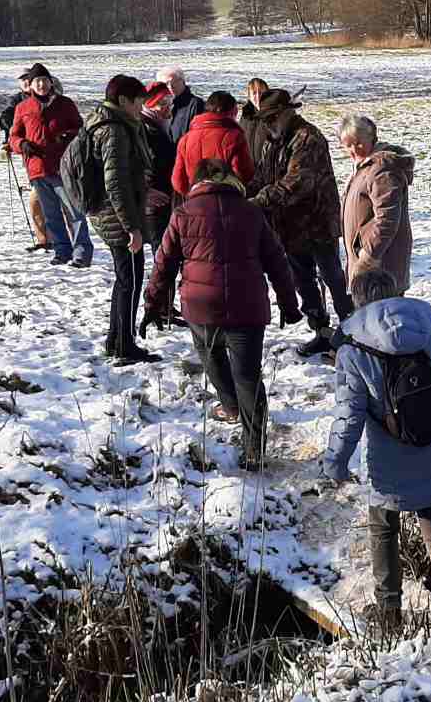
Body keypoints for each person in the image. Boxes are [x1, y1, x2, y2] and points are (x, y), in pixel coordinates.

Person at [322, 268, 431, 633]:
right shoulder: (425, 321)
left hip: (388, 460)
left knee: (383, 530)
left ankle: (389, 615)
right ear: (395, 292)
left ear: (356, 299)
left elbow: (349, 415)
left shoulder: (351, 345)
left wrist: (336, 463)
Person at [144, 158, 301, 466]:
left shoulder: (183, 214)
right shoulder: (251, 212)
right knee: (248, 377)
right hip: (247, 307)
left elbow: (163, 265)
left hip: (201, 306)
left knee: (211, 356)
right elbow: (277, 261)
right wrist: (289, 304)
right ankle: (254, 451)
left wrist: (152, 304)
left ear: (196, 183)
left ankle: (229, 406)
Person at [248, 88, 352, 357]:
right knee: (303, 282)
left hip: (317, 224)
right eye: (265, 120)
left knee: (333, 278)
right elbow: (262, 176)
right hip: (289, 227)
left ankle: (352, 332)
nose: (268, 124)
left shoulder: (308, 138)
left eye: (272, 118)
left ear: (287, 113)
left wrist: (256, 202)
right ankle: (321, 331)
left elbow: (296, 183)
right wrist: (240, 193)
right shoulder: (273, 141)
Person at [75, 75, 161, 364]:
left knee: (126, 279)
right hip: (117, 216)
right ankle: (124, 345)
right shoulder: (114, 131)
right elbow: (116, 184)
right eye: (138, 102)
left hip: (112, 213)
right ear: (123, 101)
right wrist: (131, 227)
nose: (141, 107)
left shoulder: (106, 122)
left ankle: (117, 340)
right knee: (130, 281)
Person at [9, 63, 91, 267]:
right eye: (37, 81)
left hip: (63, 167)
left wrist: (67, 136)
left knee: (74, 212)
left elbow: (81, 129)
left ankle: (82, 252)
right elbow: (14, 136)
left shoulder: (65, 104)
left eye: (45, 80)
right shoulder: (23, 108)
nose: (41, 85)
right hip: (37, 168)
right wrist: (22, 144)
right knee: (51, 214)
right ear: (30, 85)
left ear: (51, 82)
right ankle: (62, 251)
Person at [338, 114, 414, 293]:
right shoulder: (365, 166)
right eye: (348, 145)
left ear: (372, 138)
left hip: (380, 267)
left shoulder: (381, 169)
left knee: (384, 309)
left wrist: (368, 256)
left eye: (359, 143)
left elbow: (387, 218)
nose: (354, 149)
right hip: (369, 265)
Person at [141, 82, 184, 322]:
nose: (168, 108)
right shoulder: (146, 130)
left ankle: (164, 304)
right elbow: (141, 165)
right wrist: (146, 190)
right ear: (151, 106)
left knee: (167, 254)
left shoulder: (158, 126)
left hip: (165, 199)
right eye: (162, 104)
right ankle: (158, 306)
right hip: (154, 205)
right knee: (163, 256)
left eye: (169, 102)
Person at [1, 72, 52, 252]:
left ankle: (64, 240)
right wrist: (19, 142)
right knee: (36, 199)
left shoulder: (57, 101)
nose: (26, 83)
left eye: (27, 79)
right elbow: (8, 124)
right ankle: (43, 239)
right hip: (34, 160)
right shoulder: (18, 102)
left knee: (58, 203)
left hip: (57, 161)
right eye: (23, 80)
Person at [174, 91, 255, 197]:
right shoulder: (235, 136)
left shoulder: (185, 139)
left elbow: (178, 181)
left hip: (196, 198)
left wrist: (192, 194)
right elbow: (244, 173)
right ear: (232, 112)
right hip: (227, 198)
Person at [155, 65, 205, 147]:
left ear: (183, 81)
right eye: (165, 84)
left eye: (174, 82)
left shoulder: (196, 104)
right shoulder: (159, 105)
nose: (170, 86)